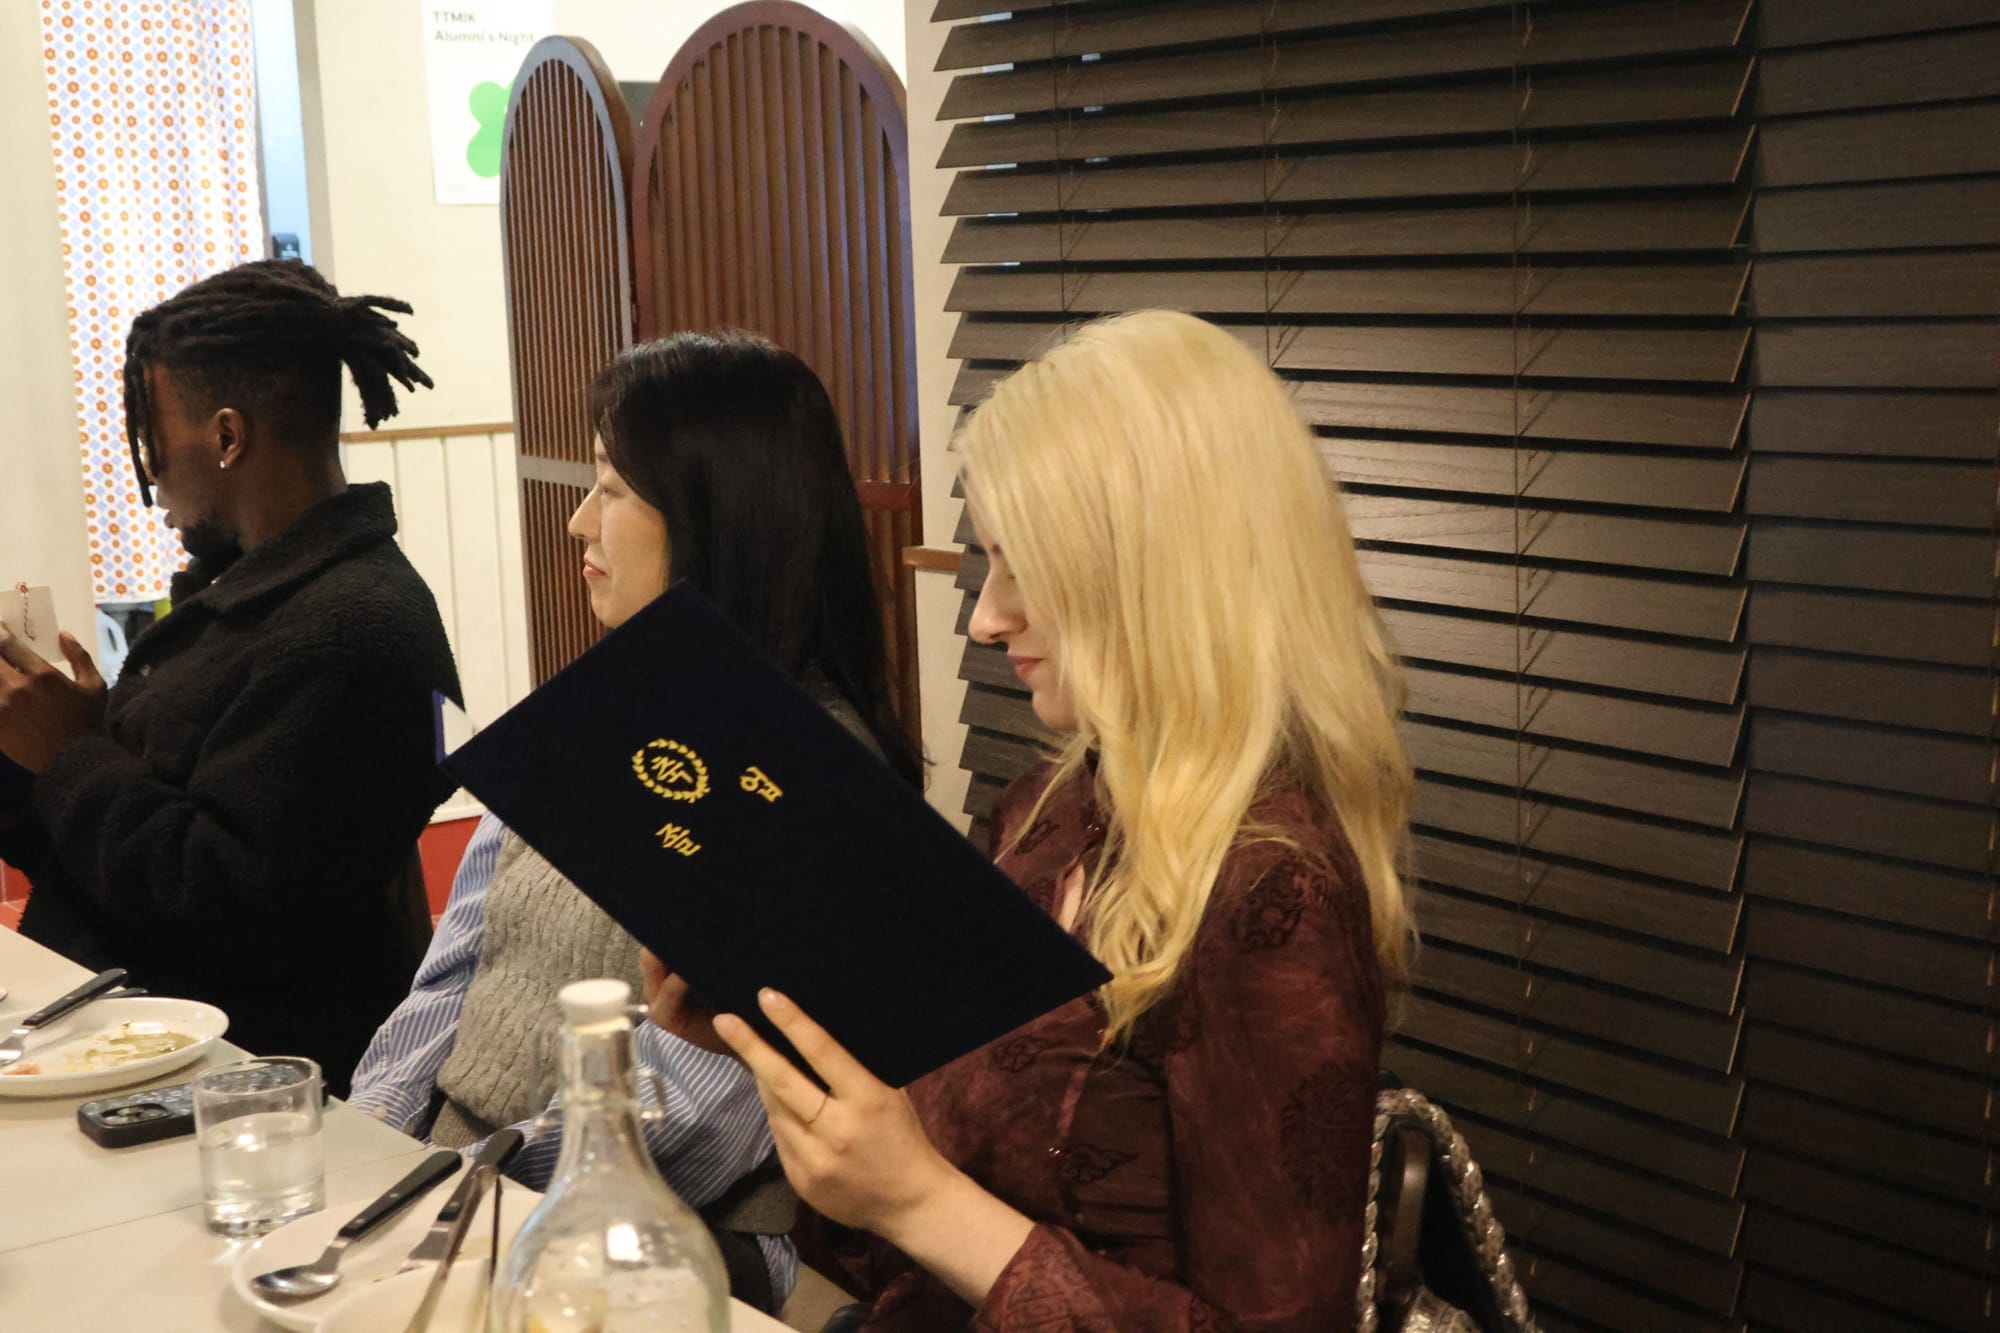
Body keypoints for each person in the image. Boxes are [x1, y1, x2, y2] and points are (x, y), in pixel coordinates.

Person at [662, 310, 1413, 1330]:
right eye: (989, 564)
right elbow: (898, 1210)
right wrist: (764, 1044)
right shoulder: (1049, 814)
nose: (985, 617)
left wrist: (920, 1201)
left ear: (1152, 573)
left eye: (1023, 567)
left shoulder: (1273, 889)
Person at [348, 332, 922, 1312]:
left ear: (711, 513)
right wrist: (372, 1158)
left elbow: (700, 1111)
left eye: (611, 488)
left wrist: (462, 1192)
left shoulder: (811, 774)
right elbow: (448, 977)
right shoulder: (592, 710)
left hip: (654, 1230)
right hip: (468, 1190)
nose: (579, 521)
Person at [0, 260, 460, 1094]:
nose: (147, 466)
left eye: (151, 433)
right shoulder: (247, 593)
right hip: (128, 1030)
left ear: (225, 438)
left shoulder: (351, 631)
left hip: (237, 1084)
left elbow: (224, 908)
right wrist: (32, 742)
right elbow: (101, 848)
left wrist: (71, 753)